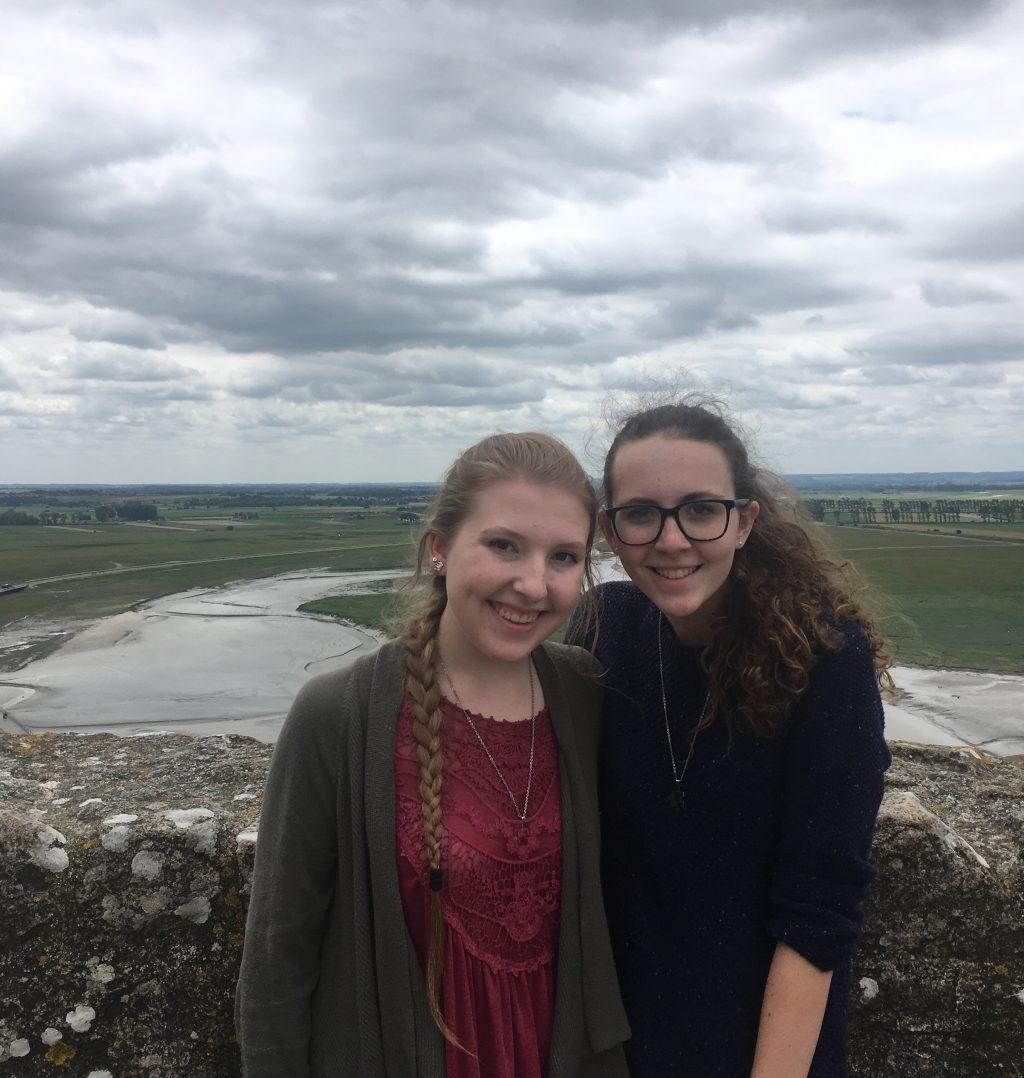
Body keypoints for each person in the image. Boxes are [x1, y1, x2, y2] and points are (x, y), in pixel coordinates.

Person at [235, 432, 630, 1078]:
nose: (533, 584)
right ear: (441, 549)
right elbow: (278, 964)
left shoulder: (585, 694)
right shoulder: (339, 714)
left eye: (563, 557)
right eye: (504, 545)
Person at [570, 399, 892, 1078]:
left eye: (700, 509)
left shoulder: (823, 657)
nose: (671, 539)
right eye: (640, 513)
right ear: (610, 528)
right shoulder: (606, 630)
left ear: (744, 521)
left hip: (762, 1048)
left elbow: (819, 908)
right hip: (616, 1045)